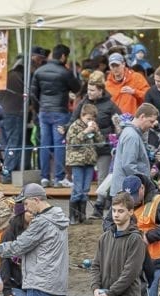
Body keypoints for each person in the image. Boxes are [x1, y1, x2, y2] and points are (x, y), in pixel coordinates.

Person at [30, 44, 81, 188]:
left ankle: (44, 178)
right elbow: (77, 88)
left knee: (44, 144)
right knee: (59, 145)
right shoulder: (65, 72)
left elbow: (34, 94)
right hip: (60, 111)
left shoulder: (39, 71)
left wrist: (38, 109)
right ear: (64, 56)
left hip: (44, 112)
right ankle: (59, 178)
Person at [72, 74, 120, 218]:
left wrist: (116, 131)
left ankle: (99, 206)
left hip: (103, 146)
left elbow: (118, 122)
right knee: (83, 182)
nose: (89, 93)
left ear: (100, 90)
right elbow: (74, 120)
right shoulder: (83, 103)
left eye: (93, 90)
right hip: (85, 148)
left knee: (102, 177)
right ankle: (78, 214)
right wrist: (65, 128)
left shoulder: (110, 105)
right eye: (88, 89)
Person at [109, 103, 158, 196]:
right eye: (151, 121)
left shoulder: (132, 133)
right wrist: (145, 182)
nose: (152, 126)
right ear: (142, 116)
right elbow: (129, 165)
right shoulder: (132, 136)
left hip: (126, 189)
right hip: (128, 191)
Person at [65, 103, 102, 224]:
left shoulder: (93, 127)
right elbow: (72, 142)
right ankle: (72, 216)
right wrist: (86, 131)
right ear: (82, 115)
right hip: (77, 161)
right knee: (78, 189)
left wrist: (96, 132)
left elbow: (100, 143)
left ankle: (82, 216)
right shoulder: (75, 126)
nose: (90, 121)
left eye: (93, 119)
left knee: (86, 189)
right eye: (88, 119)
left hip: (89, 161)